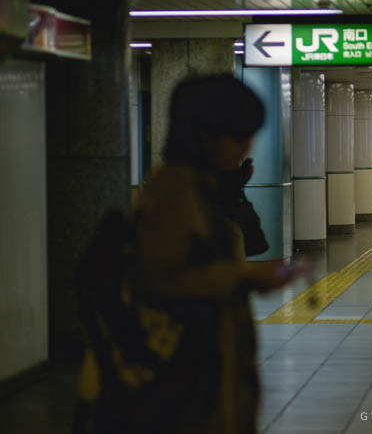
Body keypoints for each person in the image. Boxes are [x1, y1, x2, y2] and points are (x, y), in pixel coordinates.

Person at [75, 75, 303, 434]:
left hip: (198, 372)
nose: (247, 146)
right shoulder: (174, 192)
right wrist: (242, 276)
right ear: (204, 134)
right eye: (239, 136)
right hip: (178, 381)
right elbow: (159, 278)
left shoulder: (202, 187)